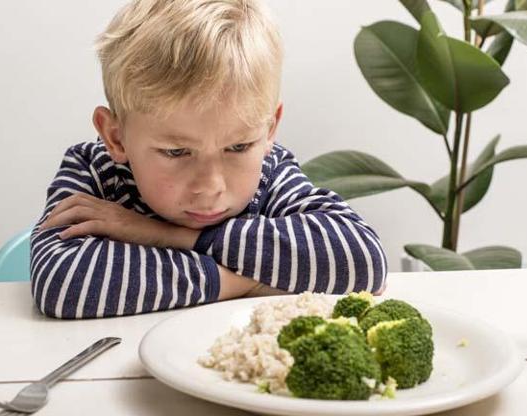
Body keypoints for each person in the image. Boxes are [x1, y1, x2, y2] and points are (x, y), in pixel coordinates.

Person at [30, 0, 387, 319]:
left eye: (238, 148)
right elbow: (64, 284)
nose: (210, 187)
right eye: (176, 152)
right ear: (116, 136)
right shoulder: (94, 171)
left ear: (269, 129)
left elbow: (363, 259)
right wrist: (241, 283)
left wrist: (167, 236)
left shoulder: (271, 170)